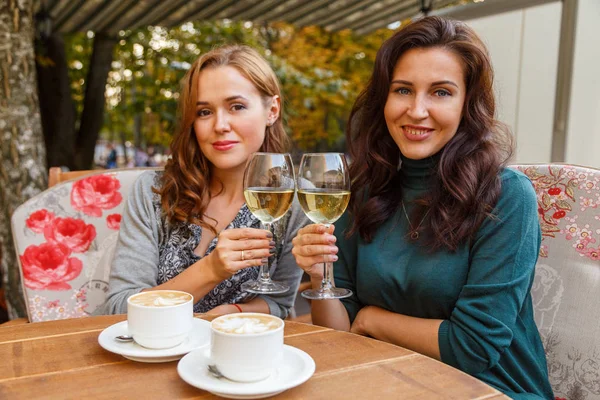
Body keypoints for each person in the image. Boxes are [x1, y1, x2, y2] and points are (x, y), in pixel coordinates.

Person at [291, 17, 553, 399]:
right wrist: (319, 276)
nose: (416, 110)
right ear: (384, 98)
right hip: (383, 381)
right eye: (403, 90)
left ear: (468, 104)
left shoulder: (505, 197)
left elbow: (472, 347)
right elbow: (339, 335)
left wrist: (370, 318)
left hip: (490, 389)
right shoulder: (361, 191)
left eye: (441, 92)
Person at [98, 45, 307, 318]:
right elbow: (117, 309)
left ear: (272, 110)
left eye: (237, 107)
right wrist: (211, 270)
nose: (220, 125)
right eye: (204, 112)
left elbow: (279, 304)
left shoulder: (291, 202)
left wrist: (231, 312)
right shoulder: (154, 192)